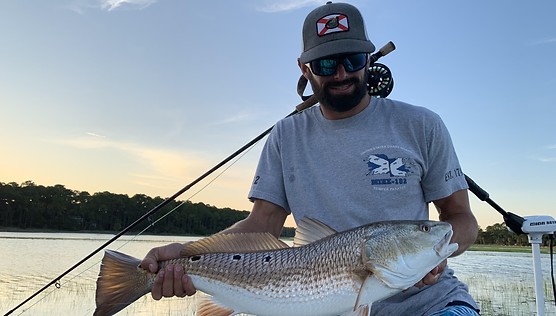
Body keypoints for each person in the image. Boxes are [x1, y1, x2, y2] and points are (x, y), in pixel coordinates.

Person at [140, 2, 480, 315]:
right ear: (305, 68)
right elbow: (261, 226)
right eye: (326, 63)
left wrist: (435, 259)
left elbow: (459, 219)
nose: (342, 74)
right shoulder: (286, 135)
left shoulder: (421, 125)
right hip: (318, 306)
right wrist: (187, 254)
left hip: (429, 304)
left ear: (369, 58)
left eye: (353, 59)